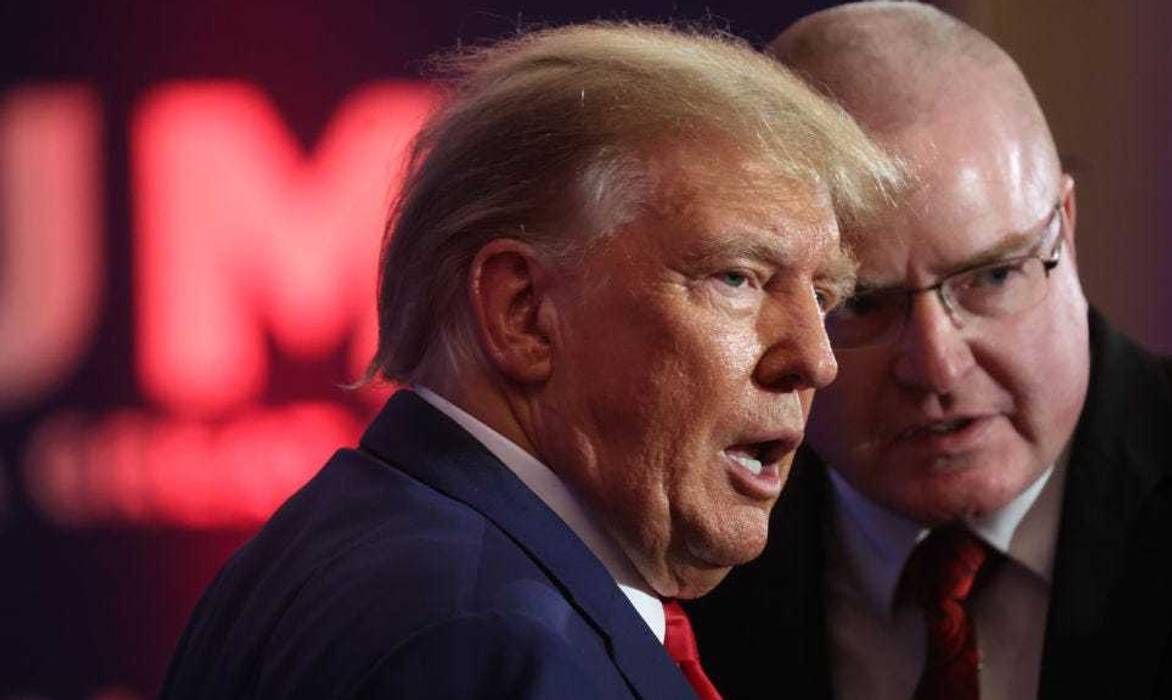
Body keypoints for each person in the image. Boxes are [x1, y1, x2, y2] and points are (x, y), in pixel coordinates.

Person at [159, 22, 900, 700]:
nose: (814, 359)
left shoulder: (346, 543)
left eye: (825, 294)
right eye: (736, 279)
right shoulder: (489, 641)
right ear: (521, 313)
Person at [687, 3, 1172, 699]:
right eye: (860, 303)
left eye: (991, 276)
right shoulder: (688, 543)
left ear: (1063, 230)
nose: (936, 366)